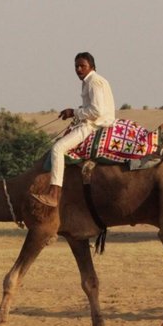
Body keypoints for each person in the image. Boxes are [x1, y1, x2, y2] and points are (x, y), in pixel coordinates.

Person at [30, 51, 116, 208]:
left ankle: (54, 194)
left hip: (94, 125)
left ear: (92, 67)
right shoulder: (92, 81)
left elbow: (96, 111)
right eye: (76, 66)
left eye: (82, 66)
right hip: (93, 122)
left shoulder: (94, 82)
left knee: (57, 149)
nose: (78, 69)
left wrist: (74, 112)